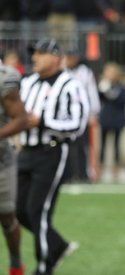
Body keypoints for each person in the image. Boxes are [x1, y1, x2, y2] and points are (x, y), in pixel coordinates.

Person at [16, 39, 89, 275]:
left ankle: (44, 266)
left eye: (40, 53)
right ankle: (58, 245)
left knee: (38, 210)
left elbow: (77, 123)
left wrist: (43, 122)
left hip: (52, 151)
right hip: (26, 151)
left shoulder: (70, 85)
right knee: (18, 210)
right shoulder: (28, 82)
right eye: (34, 53)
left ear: (55, 58)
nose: (35, 57)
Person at [0, 65, 28, 275]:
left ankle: (16, 264)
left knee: (7, 217)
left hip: (1, 159)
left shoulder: (4, 78)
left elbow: (20, 120)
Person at [63, 46, 101, 183]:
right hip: (65, 114)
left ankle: (83, 174)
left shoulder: (85, 72)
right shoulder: (62, 71)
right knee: (66, 145)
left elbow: (91, 92)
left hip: (81, 114)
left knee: (82, 145)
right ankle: (67, 175)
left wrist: (93, 112)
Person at [98, 62, 125, 182]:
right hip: (106, 119)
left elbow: (122, 101)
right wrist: (102, 90)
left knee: (116, 146)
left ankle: (116, 171)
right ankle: (99, 170)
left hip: (117, 119)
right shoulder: (103, 85)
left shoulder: (121, 87)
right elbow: (99, 99)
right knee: (103, 145)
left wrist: (109, 92)